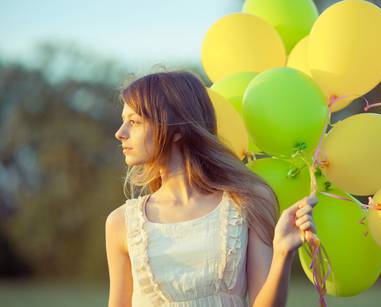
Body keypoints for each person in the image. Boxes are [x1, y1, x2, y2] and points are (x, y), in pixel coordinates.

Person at [105, 70, 318, 307]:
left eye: (134, 121)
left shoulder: (248, 201)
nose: (120, 133)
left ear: (176, 131)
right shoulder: (121, 223)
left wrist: (282, 253)